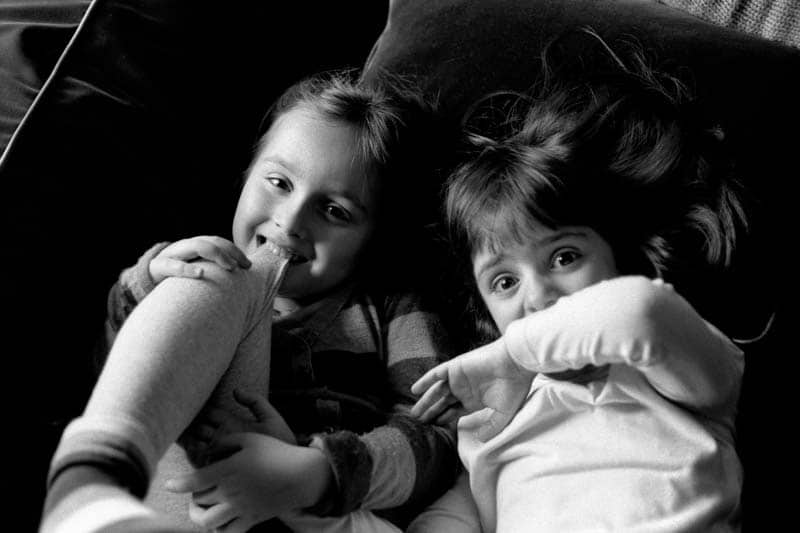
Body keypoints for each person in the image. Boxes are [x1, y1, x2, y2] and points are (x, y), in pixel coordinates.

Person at [40, 70, 466, 533]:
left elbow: (437, 439)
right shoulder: (196, 268)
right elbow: (118, 366)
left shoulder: (392, 309)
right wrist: (149, 281)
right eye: (279, 183)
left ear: (374, 240)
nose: (291, 220)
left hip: (294, 511)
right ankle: (90, 478)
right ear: (245, 177)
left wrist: (316, 470)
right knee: (217, 272)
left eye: (335, 211)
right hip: (157, 500)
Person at [410, 38, 748, 532]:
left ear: (618, 256)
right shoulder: (499, 416)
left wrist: (512, 355)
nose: (539, 296)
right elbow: (456, 513)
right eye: (504, 282)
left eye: (564, 257)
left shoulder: (675, 369)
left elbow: (637, 314)